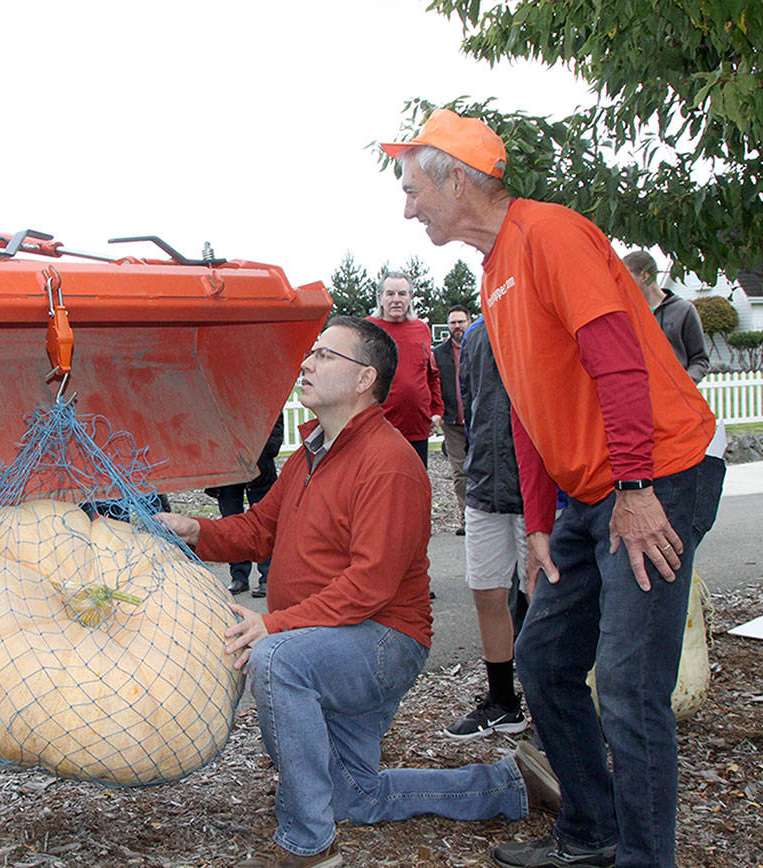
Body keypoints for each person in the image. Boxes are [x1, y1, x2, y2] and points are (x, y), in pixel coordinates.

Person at [384, 108, 725, 868]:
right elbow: (533, 411)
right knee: (542, 662)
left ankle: (643, 857)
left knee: (633, 690)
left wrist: (636, 486)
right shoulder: (493, 271)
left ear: (456, 178)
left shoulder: (552, 233)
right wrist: (540, 525)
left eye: (412, 189)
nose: (407, 207)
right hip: (590, 499)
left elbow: (619, 359)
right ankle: (592, 833)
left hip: (658, 474)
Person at [159, 317, 559, 868]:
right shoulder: (308, 456)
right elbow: (257, 531)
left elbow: (370, 587)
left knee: (275, 662)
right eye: (311, 354)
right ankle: (507, 785)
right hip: (329, 641)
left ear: (364, 378)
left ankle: (308, 846)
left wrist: (275, 625)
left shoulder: (389, 462)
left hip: (381, 641)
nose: (307, 363)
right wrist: (195, 530)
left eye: (324, 356)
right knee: (354, 795)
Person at [443, 315, 529, 740]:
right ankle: (503, 702)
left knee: (538, 601)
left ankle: (549, 704)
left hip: (537, 489)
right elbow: (471, 405)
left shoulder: (540, 321)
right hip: (486, 488)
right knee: (487, 593)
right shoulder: (476, 334)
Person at [204, 413, 284, 597]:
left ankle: (267, 577)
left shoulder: (259, 392)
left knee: (266, 522)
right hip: (227, 463)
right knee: (231, 519)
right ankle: (239, 576)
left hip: (260, 464)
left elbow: (275, 420)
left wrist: (267, 450)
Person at [367, 274, 443, 465]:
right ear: (380, 298)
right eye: (390, 293)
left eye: (402, 293)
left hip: (416, 426)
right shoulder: (368, 329)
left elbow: (432, 375)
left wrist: (437, 411)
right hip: (379, 427)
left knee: (415, 485)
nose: (396, 299)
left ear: (410, 297)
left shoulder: (422, 329)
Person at [622, 250, 710, 383]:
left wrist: (685, 384)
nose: (622, 283)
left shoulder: (684, 310)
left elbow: (700, 359)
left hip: (675, 399)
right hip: (639, 398)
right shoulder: (628, 314)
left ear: (645, 276)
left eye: (626, 276)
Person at [434, 304, 472, 533]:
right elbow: (434, 383)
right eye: (453, 322)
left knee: (482, 468)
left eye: (461, 321)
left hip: (478, 420)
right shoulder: (438, 354)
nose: (457, 326)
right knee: (460, 472)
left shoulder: (479, 346)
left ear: (469, 321)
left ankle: (483, 517)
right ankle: (466, 518)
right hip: (452, 420)